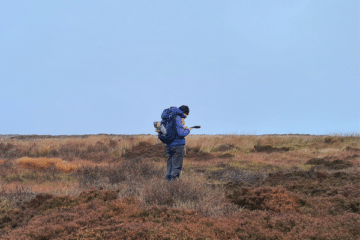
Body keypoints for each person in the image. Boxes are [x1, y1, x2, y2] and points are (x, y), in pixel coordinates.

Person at [165, 105, 193, 182]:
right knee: (176, 166)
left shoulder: (170, 117)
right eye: (186, 115)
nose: (185, 117)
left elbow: (175, 130)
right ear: (184, 112)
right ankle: (174, 186)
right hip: (178, 145)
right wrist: (188, 130)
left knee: (169, 166)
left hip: (169, 145)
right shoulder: (178, 118)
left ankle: (167, 184)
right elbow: (181, 133)